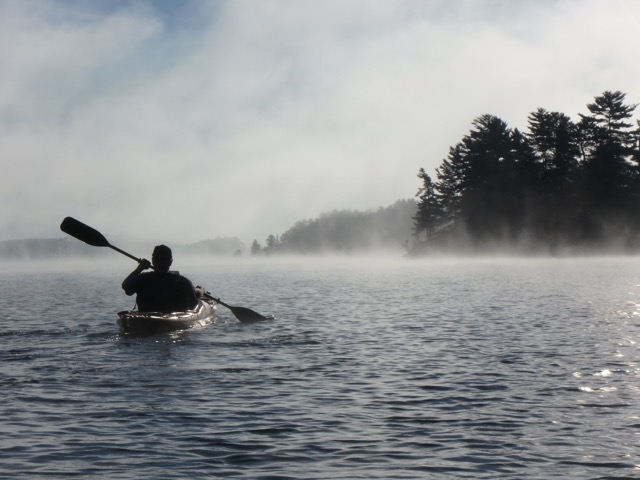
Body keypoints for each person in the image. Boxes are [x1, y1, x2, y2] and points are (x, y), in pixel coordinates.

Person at [122, 244, 198, 313]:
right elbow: (193, 304)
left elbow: (126, 287)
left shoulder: (143, 279)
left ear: (153, 261)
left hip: (146, 321)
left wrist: (139, 269)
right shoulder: (182, 281)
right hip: (172, 323)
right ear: (171, 262)